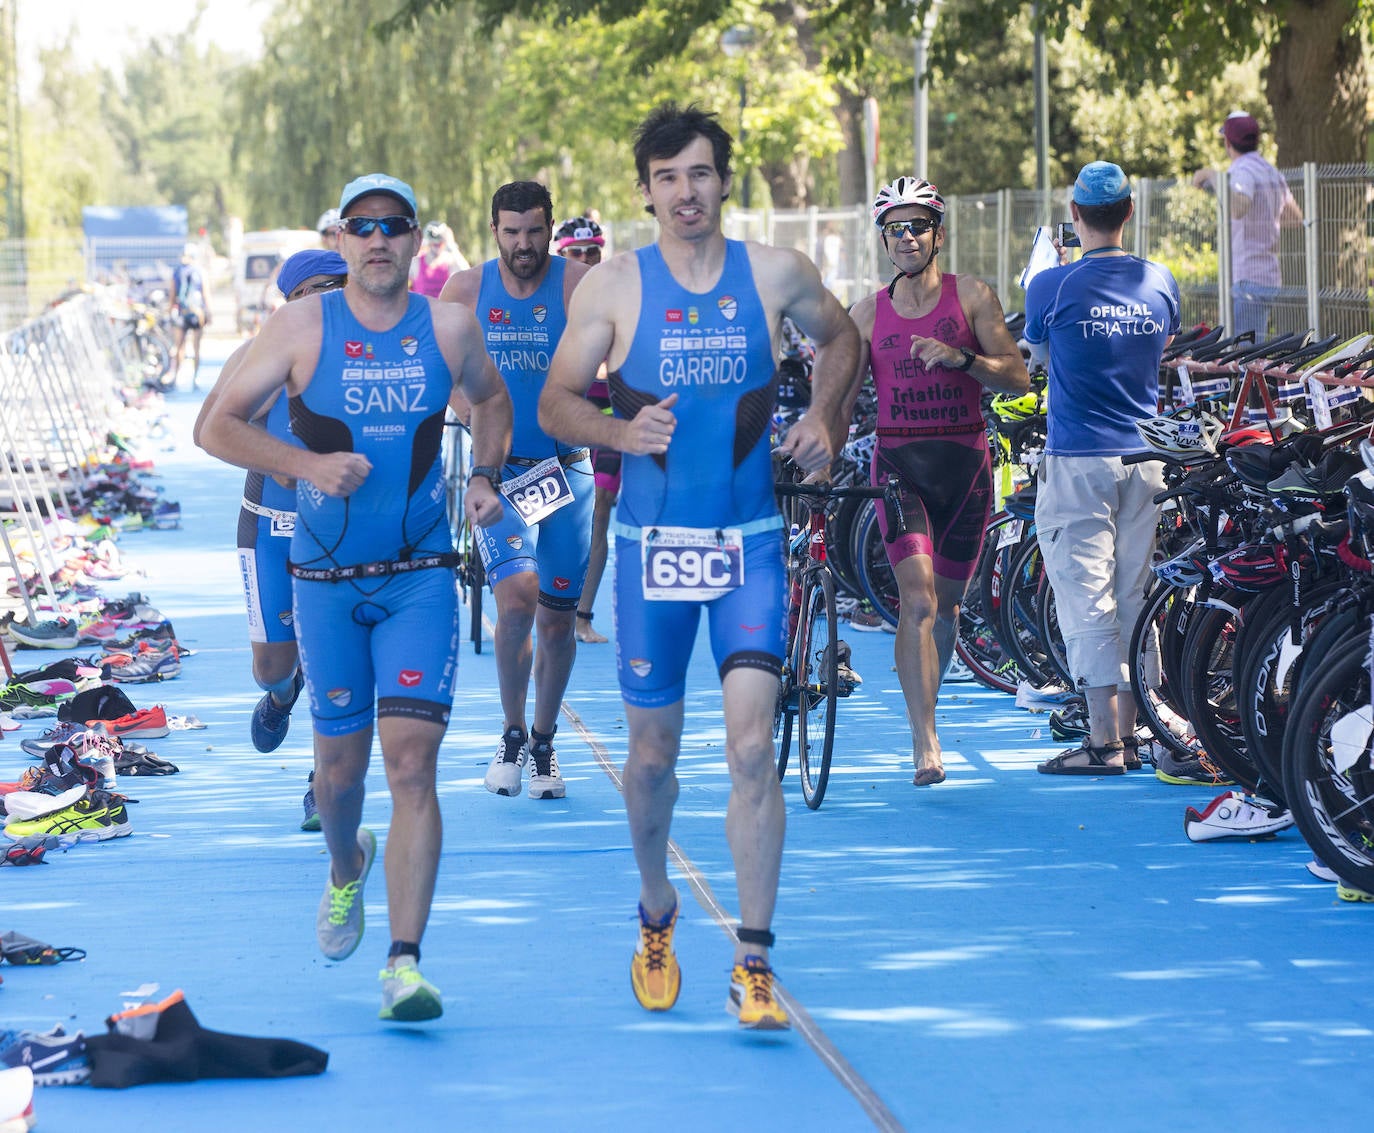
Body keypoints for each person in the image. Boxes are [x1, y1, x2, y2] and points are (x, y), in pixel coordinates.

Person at [539, 103, 860, 1031]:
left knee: (754, 748)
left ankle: (754, 958)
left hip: (749, 545)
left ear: (726, 181)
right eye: (668, 177)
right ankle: (655, 911)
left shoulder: (775, 274)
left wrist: (827, 418)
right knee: (650, 764)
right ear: (647, 191)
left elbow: (844, 339)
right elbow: (558, 401)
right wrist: (616, 428)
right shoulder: (610, 290)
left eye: (702, 174)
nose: (687, 192)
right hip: (649, 556)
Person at [201, 172, 513, 1023]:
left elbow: (491, 399)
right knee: (340, 778)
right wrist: (306, 467)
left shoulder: (447, 326)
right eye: (362, 227)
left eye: (395, 225)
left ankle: (405, 962)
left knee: (413, 764)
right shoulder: (302, 326)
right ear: (340, 241)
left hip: (419, 574)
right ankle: (346, 867)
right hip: (325, 584)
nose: (379, 239)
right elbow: (215, 422)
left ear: (417, 242)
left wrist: (484, 475)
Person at [847, 177, 1030, 788]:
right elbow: (842, 398)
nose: (905, 237)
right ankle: (924, 742)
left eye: (916, 226)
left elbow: (1018, 379)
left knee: (947, 608)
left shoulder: (972, 297)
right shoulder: (867, 312)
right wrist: (816, 453)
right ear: (883, 240)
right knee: (917, 601)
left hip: (967, 468)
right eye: (894, 228)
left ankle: (930, 698)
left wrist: (964, 361)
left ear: (937, 234)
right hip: (900, 467)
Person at [1023, 161, 1180, 775]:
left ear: (1075, 214)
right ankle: (1141, 729)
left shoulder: (1052, 286)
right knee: (1135, 596)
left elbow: (1037, 356)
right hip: (1146, 459)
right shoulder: (1159, 280)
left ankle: (1103, 741)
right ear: (1130, 213)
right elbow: (1157, 348)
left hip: (1079, 458)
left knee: (1086, 596)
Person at [439, 184, 595, 801]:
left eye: (533, 231)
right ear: (493, 230)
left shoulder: (581, 284)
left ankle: (544, 740)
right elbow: (440, 372)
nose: (523, 245)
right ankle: (509, 731)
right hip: (501, 474)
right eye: (510, 232)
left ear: (549, 228)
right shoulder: (464, 291)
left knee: (557, 623)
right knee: (515, 598)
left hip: (568, 471)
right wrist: (476, 421)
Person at [193, 249, 349, 832]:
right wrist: (277, 455)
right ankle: (280, 696)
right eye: (312, 291)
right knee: (272, 666)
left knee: (332, 660)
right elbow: (207, 430)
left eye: (336, 285)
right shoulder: (261, 351)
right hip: (270, 525)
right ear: (290, 302)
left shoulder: (366, 350)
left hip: (339, 534)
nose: (327, 298)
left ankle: (322, 787)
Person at [554, 215, 614, 644]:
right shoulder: (547, 296)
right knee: (553, 512)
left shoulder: (617, 294)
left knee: (599, 513)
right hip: (562, 411)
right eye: (575, 252)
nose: (585, 259)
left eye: (592, 251)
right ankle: (543, 600)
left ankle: (583, 615)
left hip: (607, 410)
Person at [1192, 112, 1302, 340]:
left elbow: (1239, 207)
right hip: (1269, 275)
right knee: (1251, 351)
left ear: (1227, 142)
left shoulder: (1241, 171)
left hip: (1246, 277)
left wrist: (1213, 176)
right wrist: (1265, 215)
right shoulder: (1271, 172)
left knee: (1244, 357)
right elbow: (1295, 218)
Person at [169, 244, 212, 388]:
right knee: (196, 347)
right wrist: (209, 312)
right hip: (197, 313)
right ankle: (195, 378)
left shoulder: (176, 272)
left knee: (179, 346)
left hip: (182, 312)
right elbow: (206, 294)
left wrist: (170, 312)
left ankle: (175, 377)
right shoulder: (200, 272)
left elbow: (172, 295)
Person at [410, 221, 469, 297]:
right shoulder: (417, 262)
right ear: (428, 242)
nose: (437, 246)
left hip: (443, 308)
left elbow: (467, 274)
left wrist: (452, 245)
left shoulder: (449, 261)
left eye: (440, 243)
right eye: (434, 243)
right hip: (422, 308)